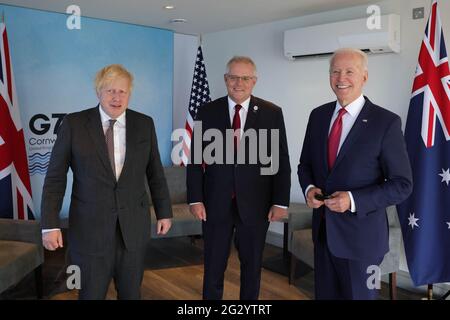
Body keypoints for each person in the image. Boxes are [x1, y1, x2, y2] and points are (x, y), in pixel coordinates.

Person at [41, 64, 173, 299]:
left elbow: (155, 173)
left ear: (129, 94)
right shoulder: (74, 124)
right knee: (90, 294)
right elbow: (55, 178)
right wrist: (50, 225)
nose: (117, 97)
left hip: (133, 228)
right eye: (110, 91)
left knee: (131, 294)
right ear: (98, 92)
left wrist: (164, 212)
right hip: (89, 231)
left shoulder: (144, 123)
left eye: (122, 91)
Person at [297, 48, 413, 300]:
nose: (341, 77)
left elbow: (402, 184)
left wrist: (352, 200)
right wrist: (309, 189)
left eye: (350, 71)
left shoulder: (386, 122)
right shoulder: (318, 116)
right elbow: (304, 164)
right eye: (335, 71)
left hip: (362, 243)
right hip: (324, 235)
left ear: (365, 77)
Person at [187, 56, 291, 300]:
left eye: (245, 78)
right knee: (213, 266)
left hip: (256, 206)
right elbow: (195, 161)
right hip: (214, 205)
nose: (239, 83)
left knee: (252, 268)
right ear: (225, 79)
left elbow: (280, 160)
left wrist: (280, 201)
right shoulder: (207, 111)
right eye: (233, 77)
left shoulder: (271, 113)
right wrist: (195, 199)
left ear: (254, 81)